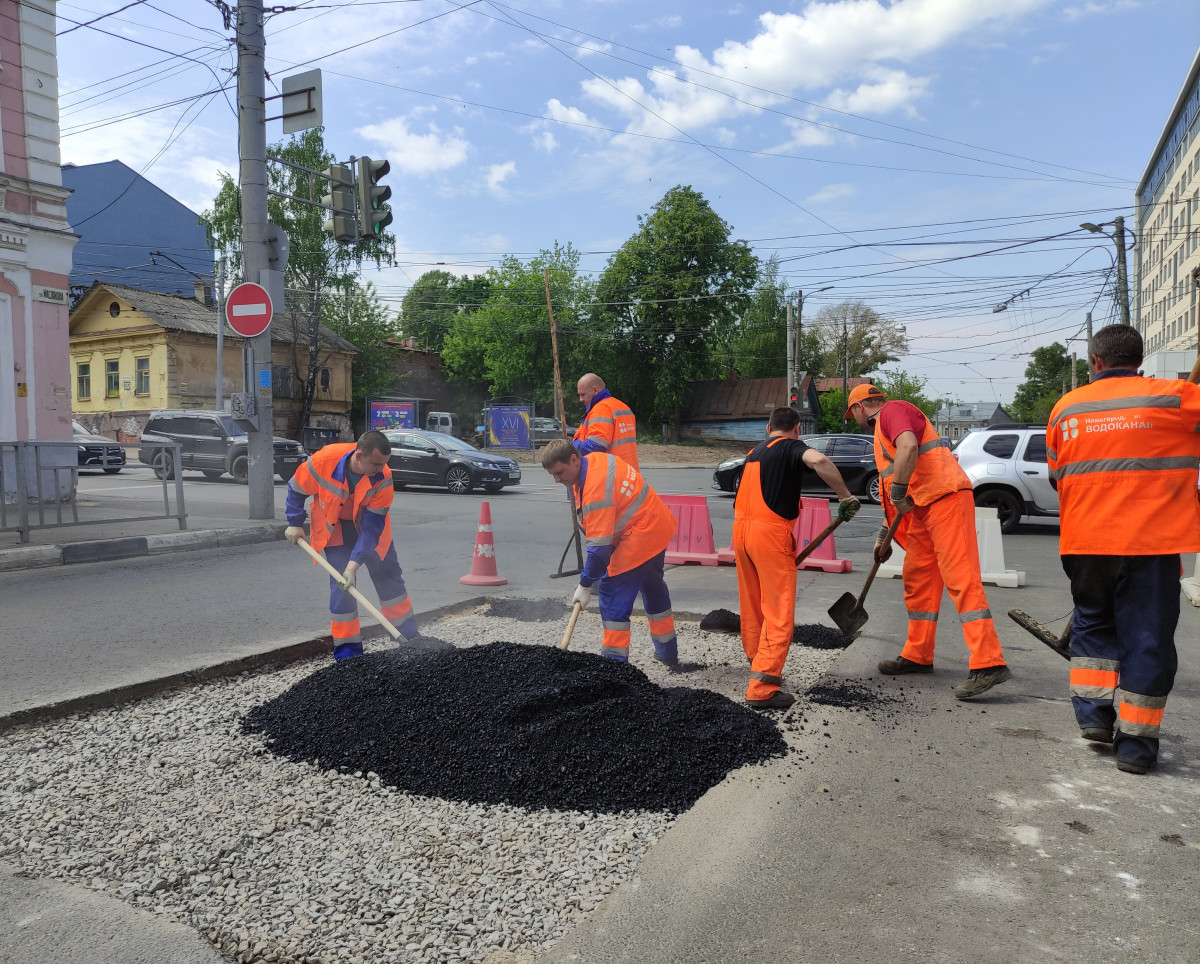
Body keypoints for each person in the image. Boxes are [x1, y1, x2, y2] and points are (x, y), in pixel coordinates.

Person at [1047, 324, 1200, 774]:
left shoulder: (1064, 409)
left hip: (1085, 542)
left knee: (1093, 627)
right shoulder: (1175, 398)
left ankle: (1093, 718)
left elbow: (1057, 475)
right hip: (1151, 543)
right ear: (1140, 358)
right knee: (1147, 637)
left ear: (1095, 362)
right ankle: (1135, 745)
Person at [846, 383, 1012, 699]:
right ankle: (918, 653)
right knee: (918, 579)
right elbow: (894, 491)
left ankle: (989, 662)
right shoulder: (884, 431)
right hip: (922, 506)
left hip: (944, 498)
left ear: (859, 407)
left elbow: (908, 449)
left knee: (961, 578)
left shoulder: (892, 411)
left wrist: (899, 489)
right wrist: (885, 535)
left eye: (851, 413)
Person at [733, 407, 861, 709]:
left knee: (753, 604)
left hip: (741, 533)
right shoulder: (792, 447)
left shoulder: (755, 452)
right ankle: (762, 688)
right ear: (797, 429)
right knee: (778, 613)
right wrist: (845, 496)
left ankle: (758, 662)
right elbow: (818, 460)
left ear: (768, 429)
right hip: (769, 536)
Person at [541, 439, 678, 665]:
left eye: (559, 472)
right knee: (653, 588)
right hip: (657, 526)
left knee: (611, 592)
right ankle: (668, 654)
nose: (557, 479)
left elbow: (599, 551)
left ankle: (614, 667)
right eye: (553, 475)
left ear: (574, 460)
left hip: (640, 534)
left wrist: (584, 584)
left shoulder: (595, 489)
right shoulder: (595, 460)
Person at [284, 431, 418, 660]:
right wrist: (294, 523)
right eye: (376, 463)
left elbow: (372, 528)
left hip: (368, 526)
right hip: (335, 528)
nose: (381, 468)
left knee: (389, 577)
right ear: (359, 455)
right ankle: (349, 655)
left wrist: (352, 567)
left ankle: (410, 639)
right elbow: (296, 488)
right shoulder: (323, 461)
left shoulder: (383, 477)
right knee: (341, 587)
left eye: (385, 463)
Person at [572, 373, 639, 471]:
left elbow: (596, 445)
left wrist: (570, 447)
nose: (581, 400)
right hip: (629, 473)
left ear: (595, 390)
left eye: (583, 394)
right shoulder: (622, 406)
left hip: (611, 474)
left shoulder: (600, 409)